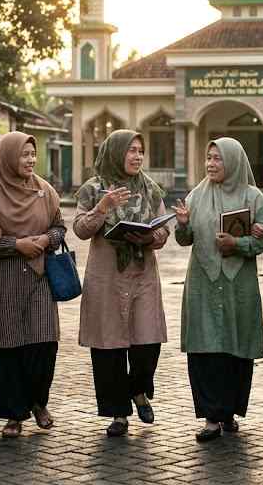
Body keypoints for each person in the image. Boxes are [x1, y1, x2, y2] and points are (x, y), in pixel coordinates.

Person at [172, 137, 263, 442]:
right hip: (202, 284)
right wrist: (182, 225)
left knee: (235, 348)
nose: (211, 164)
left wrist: (239, 244)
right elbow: (184, 239)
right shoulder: (196, 196)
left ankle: (228, 411)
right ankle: (211, 417)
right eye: (208, 158)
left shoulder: (253, 197)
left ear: (233, 162)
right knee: (204, 348)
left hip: (238, 286)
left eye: (218, 159)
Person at [0, 131, 66, 438]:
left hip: (39, 278)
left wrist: (43, 239)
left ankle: (38, 403)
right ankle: (14, 415)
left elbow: (60, 227)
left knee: (43, 344)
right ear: (9, 157)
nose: (30, 160)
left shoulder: (44, 190)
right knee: (7, 349)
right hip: (4, 281)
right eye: (23, 155)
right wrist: (14, 243)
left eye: (32, 154)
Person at [74, 130, 169, 437]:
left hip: (142, 276)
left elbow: (162, 231)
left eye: (141, 150)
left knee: (147, 343)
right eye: (131, 151)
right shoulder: (93, 188)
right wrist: (102, 208)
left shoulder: (150, 188)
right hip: (106, 279)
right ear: (116, 152)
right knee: (108, 347)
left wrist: (150, 237)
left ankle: (138, 390)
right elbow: (80, 229)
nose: (137, 156)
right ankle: (118, 414)